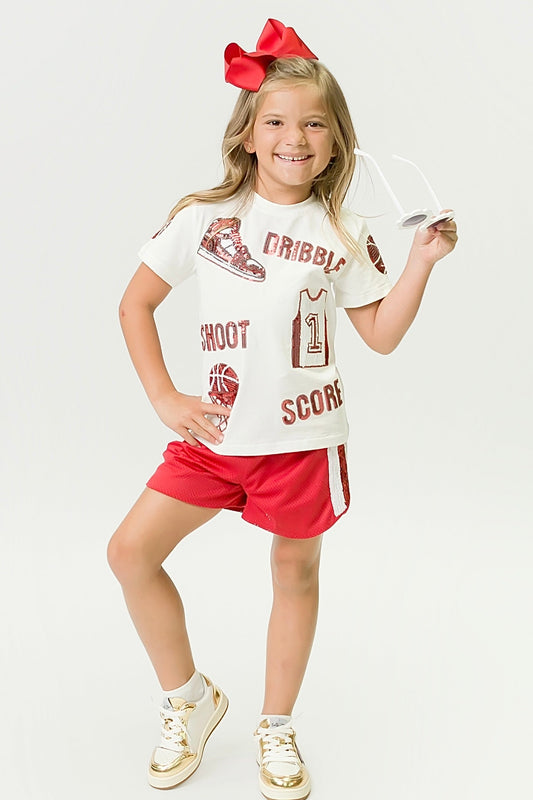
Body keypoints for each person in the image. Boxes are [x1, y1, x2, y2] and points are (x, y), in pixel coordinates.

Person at [107, 18, 458, 800]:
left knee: (293, 571)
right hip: (216, 435)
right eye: (275, 121)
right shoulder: (204, 218)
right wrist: (166, 397)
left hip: (303, 441)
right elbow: (135, 305)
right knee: (130, 553)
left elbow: (379, 334)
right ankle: (191, 701)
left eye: (312, 124)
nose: (293, 137)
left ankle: (275, 727)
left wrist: (420, 264)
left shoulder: (344, 229)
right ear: (246, 135)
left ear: (335, 143)